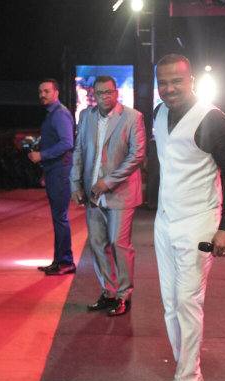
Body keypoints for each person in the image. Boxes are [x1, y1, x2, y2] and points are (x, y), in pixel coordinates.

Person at [151, 54, 225, 381]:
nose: (170, 88)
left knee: (189, 303)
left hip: (199, 222)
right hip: (165, 220)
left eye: (177, 81)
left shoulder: (212, 119)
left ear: (190, 80)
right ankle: (186, 372)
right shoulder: (158, 114)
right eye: (163, 82)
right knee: (170, 305)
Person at [70, 75, 146, 317]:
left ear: (117, 93)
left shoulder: (133, 117)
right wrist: (76, 184)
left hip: (120, 194)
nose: (105, 97)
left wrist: (108, 182)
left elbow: (137, 155)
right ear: (94, 94)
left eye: (110, 92)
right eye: (101, 93)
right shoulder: (86, 116)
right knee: (97, 245)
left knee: (118, 244)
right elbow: (79, 151)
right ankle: (108, 292)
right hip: (92, 194)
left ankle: (124, 295)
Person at [30, 78, 76, 275]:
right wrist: (45, 170)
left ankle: (65, 262)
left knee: (60, 218)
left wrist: (42, 156)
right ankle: (60, 260)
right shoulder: (53, 114)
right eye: (40, 91)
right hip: (54, 170)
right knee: (58, 218)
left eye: (46, 91)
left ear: (56, 92)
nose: (42, 95)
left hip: (60, 170)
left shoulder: (59, 114)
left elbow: (67, 143)